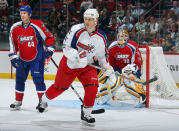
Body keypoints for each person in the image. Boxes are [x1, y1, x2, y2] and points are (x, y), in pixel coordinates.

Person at [36, 8, 115, 125]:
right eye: (86, 19)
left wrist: (106, 66)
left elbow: (102, 55)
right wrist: (77, 56)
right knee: (59, 88)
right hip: (70, 65)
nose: (87, 22)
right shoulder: (76, 29)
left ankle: (86, 113)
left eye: (90, 19)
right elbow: (66, 48)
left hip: (88, 66)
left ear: (96, 20)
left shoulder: (101, 36)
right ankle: (43, 100)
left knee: (92, 87)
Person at [8, 5, 55, 110]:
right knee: (19, 80)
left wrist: (50, 49)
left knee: (38, 81)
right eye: (21, 13)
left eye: (24, 13)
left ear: (30, 14)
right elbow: (13, 44)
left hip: (37, 59)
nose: (22, 15)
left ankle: (42, 103)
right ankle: (18, 101)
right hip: (22, 59)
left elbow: (49, 37)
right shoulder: (15, 27)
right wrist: (13, 56)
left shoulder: (38, 24)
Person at [96, 29, 146, 106]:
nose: (121, 38)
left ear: (127, 37)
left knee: (129, 80)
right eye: (120, 36)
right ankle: (102, 97)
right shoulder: (113, 46)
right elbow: (109, 62)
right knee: (112, 81)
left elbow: (138, 60)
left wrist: (132, 69)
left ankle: (141, 97)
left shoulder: (132, 45)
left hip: (130, 69)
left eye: (124, 36)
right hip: (118, 70)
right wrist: (109, 69)